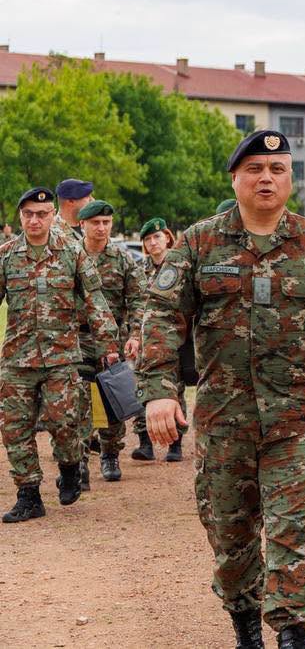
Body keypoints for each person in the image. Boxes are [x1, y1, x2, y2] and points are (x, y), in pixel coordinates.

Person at [138, 129, 305, 649]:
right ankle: (245, 623)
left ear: (290, 178)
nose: (266, 178)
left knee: (294, 532)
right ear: (235, 177)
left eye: (277, 169)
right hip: (225, 421)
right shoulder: (200, 244)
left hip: (298, 421)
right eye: (254, 169)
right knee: (231, 537)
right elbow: (162, 315)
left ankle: (294, 632)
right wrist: (160, 389)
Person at [1, 187, 119, 523]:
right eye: (28, 214)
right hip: (17, 360)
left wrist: (109, 344)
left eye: (41, 214)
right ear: (20, 217)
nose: (34, 220)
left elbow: (95, 299)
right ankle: (29, 495)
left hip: (62, 357)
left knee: (66, 423)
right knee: (14, 428)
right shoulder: (7, 256)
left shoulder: (71, 252)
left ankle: (70, 468)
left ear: (53, 214)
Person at [74, 200, 146, 485]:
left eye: (106, 222)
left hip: (112, 341)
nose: (101, 228)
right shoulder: (71, 256)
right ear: (83, 225)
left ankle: (110, 454)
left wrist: (135, 334)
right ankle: (77, 462)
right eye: (95, 223)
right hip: (76, 338)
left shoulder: (122, 258)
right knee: (77, 401)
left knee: (110, 399)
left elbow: (138, 297)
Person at [132, 217, 188, 462]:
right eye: (147, 239)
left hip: (173, 338)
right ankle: (145, 442)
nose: (153, 242)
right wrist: (133, 336)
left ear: (167, 237)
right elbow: (136, 307)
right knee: (140, 387)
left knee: (175, 387)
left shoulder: (180, 266)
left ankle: (176, 443)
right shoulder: (139, 272)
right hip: (144, 340)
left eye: (157, 237)